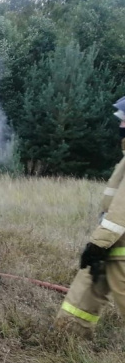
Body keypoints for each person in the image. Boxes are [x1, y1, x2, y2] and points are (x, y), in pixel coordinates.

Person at [54, 97, 125, 338]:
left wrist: (97, 244)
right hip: (112, 245)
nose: (121, 124)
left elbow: (121, 209)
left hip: (119, 248)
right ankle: (67, 338)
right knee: (82, 296)